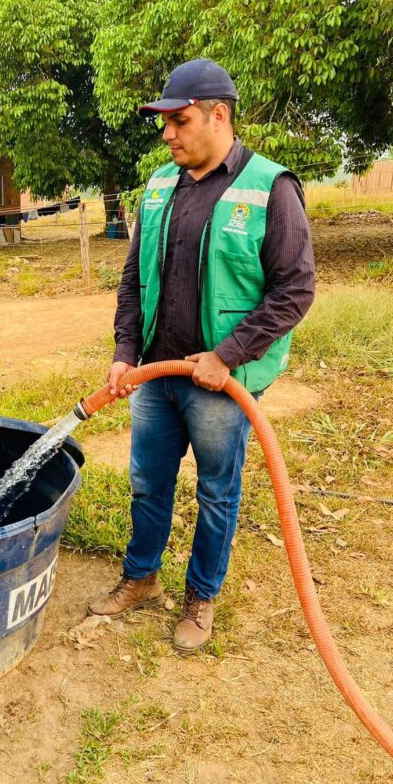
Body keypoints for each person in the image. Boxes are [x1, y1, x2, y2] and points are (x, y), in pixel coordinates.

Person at [88, 59, 316, 654]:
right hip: (155, 376)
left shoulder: (269, 187)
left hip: (219, 383)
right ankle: (141, 578)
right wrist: (124, 352)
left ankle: (200, 597)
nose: (167, 134)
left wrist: (228, 355)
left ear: (219, 115)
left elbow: (295, 290)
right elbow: (134, 279)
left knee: (216, 492)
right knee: (147, 483)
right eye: (164, 123)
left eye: (179, 121)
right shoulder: (160, 186)